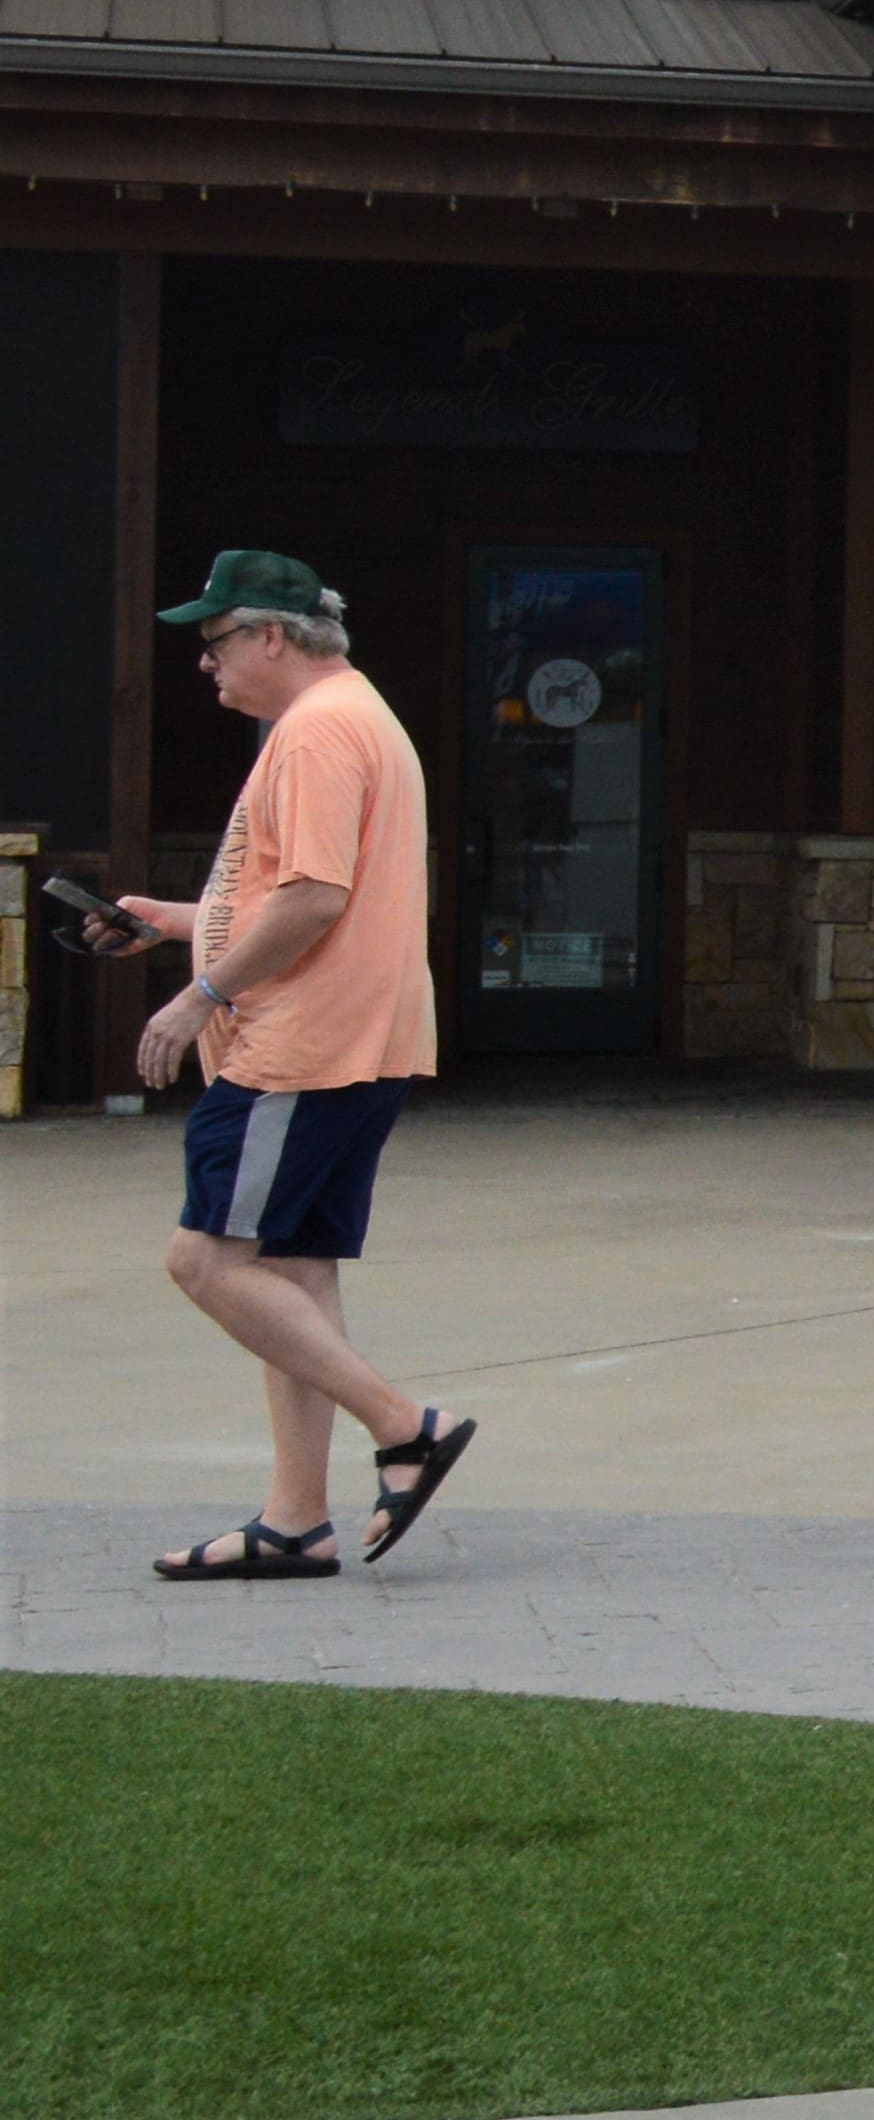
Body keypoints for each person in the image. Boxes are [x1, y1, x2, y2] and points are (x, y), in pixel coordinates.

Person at [125, 552, 476, 1584]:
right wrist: (180, 930)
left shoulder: (319, 731)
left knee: (207, 1262)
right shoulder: (353, 714)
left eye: (217, 640)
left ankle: (405, 1428)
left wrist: (202, 995)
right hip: (351, 1041)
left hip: (302, 1048)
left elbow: (316, 898)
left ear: (272, 635)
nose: (207, 663)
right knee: (290, 1269)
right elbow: (299, 895)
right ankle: (296, 1522)